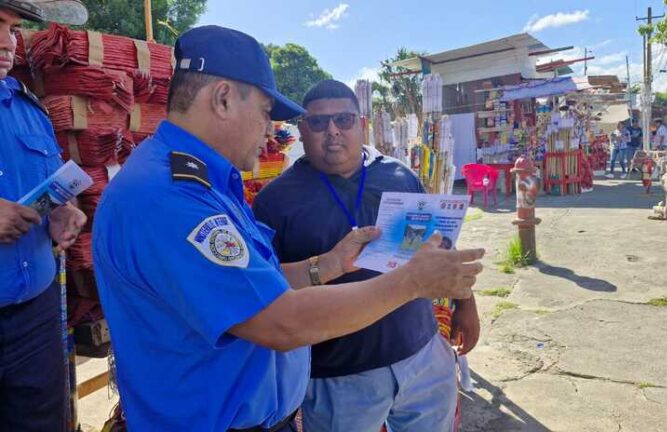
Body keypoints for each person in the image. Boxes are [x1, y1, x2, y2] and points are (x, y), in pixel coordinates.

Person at [92, 26, 484, 432]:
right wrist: (411, 282)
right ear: (223, 99)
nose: (270, 131)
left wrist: (327, 265)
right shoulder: (170, 198)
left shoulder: (204, 185)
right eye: (265, 112)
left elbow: (256, 284)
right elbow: (280, 322)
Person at [253, 80, 481, 432]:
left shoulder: (399, 175)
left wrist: (465, 303)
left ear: (361, 125)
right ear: (301, 130)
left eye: (343, 120)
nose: (332, 132)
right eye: (318, 122)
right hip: (339, 376)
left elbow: (438, 249)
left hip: (421, 354)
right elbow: (266, 291)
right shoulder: (274, 201)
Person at [0, 2, 87, 430]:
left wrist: (63, 214)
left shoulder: (28, 111)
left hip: (34, 318)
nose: (7, 43)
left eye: (12, 29)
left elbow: (51, 191)